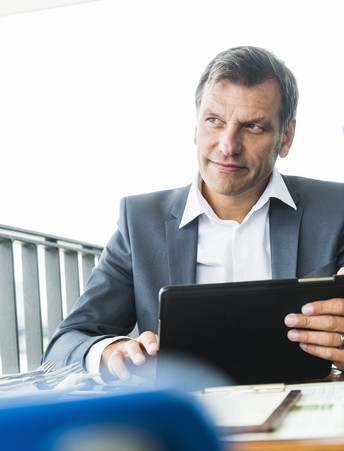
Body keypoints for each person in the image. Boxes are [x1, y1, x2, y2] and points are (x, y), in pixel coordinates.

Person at [43, 45, 344, 384]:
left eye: (253, 127)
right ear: (196, 127)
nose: (228, 145)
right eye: (214, 121)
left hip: (305, 423)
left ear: (285, 137)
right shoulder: (139, 222)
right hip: (184, 421)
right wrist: (112, 351)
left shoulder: (337, 211)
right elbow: (64, 344)